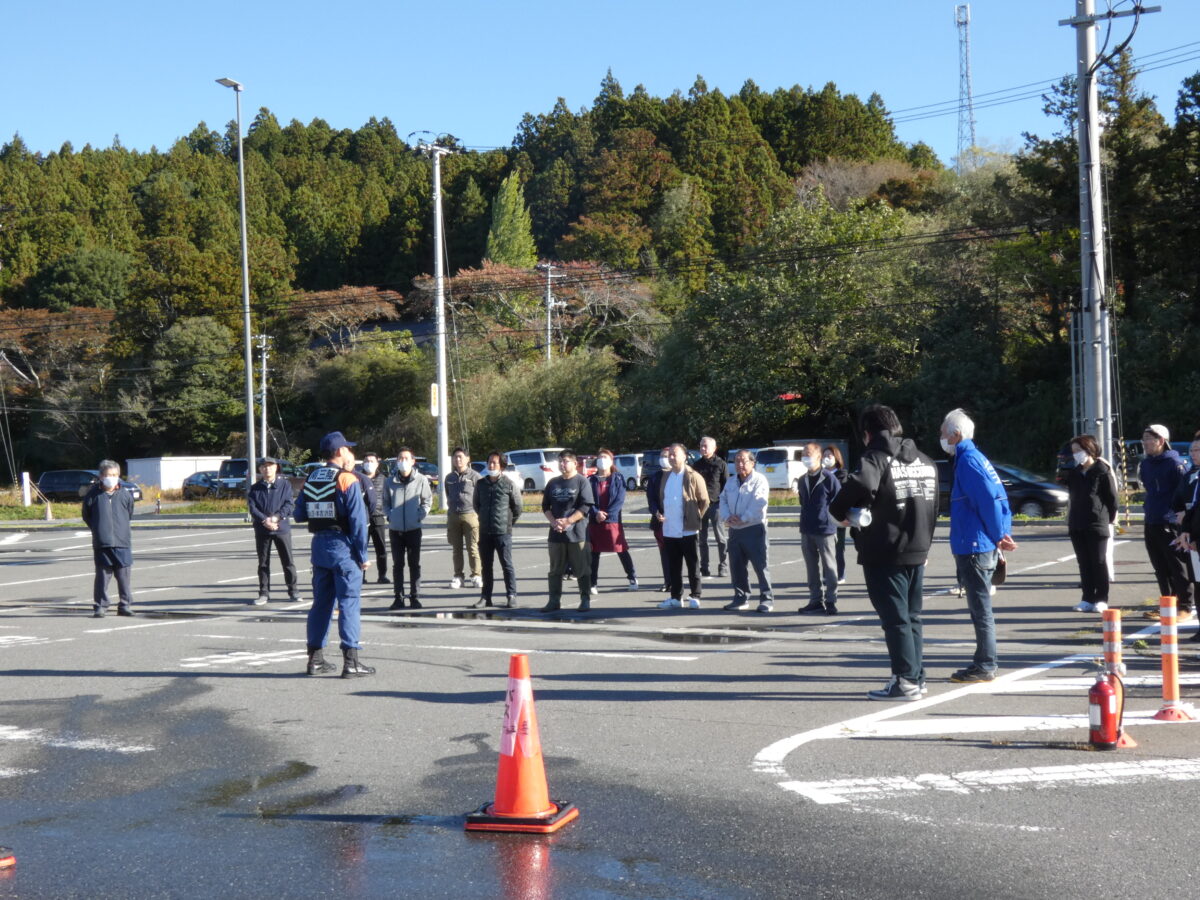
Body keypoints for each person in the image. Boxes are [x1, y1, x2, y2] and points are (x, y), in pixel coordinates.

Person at [829, 405, 938, 701]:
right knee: (912, 616)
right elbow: (934, 506)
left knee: (895, 618)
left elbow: (859, 486)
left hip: (885, 549)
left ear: (868, 434)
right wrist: (925, 542)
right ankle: (916, 676)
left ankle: (905, 681)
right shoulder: (925, 460)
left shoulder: (875, 458)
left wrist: (840, 511)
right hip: (917, 547)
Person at [940, 409, 1018, 683]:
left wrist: (999, 535)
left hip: (974, 544)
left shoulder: (968, 460)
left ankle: (985, 665)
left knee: (981, 611)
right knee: (980, 610)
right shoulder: (977, 458)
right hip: (979, 542)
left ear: (956, 434)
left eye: (943, 433)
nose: (941, 438)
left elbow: (988, 500)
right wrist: (1002, 532)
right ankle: (984, 662)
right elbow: (1000, 497)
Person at [293, 431, 374, 678]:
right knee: (349, 602)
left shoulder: (312, 477)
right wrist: (362, 555)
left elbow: (299, 514)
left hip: (319, 545)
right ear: (340, 451)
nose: (350, 452)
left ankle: (315, 659)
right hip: (342, 545)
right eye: (348, 448)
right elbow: (358, 522)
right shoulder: (347, 479)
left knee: (321, 603)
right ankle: (351, 661)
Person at [1139, 424, 1194, 620]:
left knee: (1177, 566)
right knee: (1160, 566)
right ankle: (1167, 603)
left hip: (1170, 522)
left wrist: (1181, 519)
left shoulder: (1175, 464)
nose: (1145, 443)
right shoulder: (1146, 464)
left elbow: (1185, 494)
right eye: (1144, 439)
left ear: (1161, 441)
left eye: (1149, 439)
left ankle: (1185, 606)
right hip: (1151, 519)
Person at [1066, 434, 1118, 614]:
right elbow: (1073, 498)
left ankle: (1102, 598)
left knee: (1099, 562)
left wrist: (1108, 519)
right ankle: (1087, 598)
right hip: (1077, 523)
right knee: (1084, 562)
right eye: (1074, 451)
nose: (1076, 454)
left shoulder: (1102, 471)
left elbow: (1112, 500)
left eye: (1079, 450)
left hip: (1097, 523)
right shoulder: (1074, 473)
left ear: (1090, 449)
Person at [656, 442, 710, 610]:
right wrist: (660, 514)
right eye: (670, 454)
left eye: (675, 454)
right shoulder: (666, 476)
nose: (671, 457)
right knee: (674, 565)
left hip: (688, 529)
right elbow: (663, 500)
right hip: (669, 528)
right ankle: (676, 597)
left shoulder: (693, 476)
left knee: (692, 564)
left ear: (685, 456)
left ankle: (695, 595)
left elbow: (704, 500)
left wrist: (695, 516)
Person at [720, 449, 774, 612]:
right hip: (734, 530)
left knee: (761, 566)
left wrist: (743, 518)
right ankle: (740, 598)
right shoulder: (731, 482)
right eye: (736, 461)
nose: (740, 464)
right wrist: (727, 517)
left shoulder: (759, 480)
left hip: (754, 529)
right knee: (737, 567)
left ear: (752, 463)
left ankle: (767, 599)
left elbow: (759, 503)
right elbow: (722, 500)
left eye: (743, 461)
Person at [81, 460, 135, 618]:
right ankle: (100, 606)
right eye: (108, 475)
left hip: (122, 542)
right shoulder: (92, 495)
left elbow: (129, 513)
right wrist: (98, 529)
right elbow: (87, 516)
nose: (111, 478)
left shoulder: (125, 494)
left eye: (114, 475)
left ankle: (124, 605)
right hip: (102, 543)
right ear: (101, 476)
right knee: (102, 577)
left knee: (124, 577)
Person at [542, 450, 594, 612]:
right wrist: (554, 522)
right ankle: (554, 601)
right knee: (555, 570)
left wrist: (568, 521)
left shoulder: (582, 481)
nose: (562, 464)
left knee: (582, 569)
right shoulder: (553, 483)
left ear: (575, 463)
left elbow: (585, 506)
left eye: (565, 461)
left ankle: (585, 599)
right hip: (556, 534)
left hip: (577, 535)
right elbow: (545, 506)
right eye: (560, 461)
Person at [246, 456, 300, 606]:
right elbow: (253, 508)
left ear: (276, 468)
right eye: (264, 466)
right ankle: (264, 593)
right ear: (260, 469)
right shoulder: (255, 488)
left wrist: (276, 518)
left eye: (270, 466)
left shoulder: (285, 485)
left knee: (288, 561)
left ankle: (293, 591)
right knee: (263, 563)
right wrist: (265, 520)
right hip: (262, 529)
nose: (267, 469)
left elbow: (289, 505)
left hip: (281, 528)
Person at [383, 447, 432, 610]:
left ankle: (414, 597)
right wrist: (390, 516)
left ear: (413, 461)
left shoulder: (421, 479)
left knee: (414, 564)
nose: (402, 461)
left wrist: (419, 515)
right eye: (400, 458)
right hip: (395, 530)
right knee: (398, 565)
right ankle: (398, 598)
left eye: (406, 458)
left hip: (413, 529)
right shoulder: (389, 481)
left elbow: (427, 501)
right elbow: (385, 503)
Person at [473, 451, 522, 608]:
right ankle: (485, 597)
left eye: (495, 462)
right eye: (489, 462)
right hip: (485, 531)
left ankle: (511, 595)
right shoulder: (481, 484)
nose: (491, 465)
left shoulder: (509, 484)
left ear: (502, 465)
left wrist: (508, 522)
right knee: (486, 566)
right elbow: (476, 505)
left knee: (507, 565)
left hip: (503, 532)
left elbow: (518, 507)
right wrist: (484, 518)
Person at [798, 441, 842, 615]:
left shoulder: (829, 478)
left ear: (818, 456)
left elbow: (839, 500)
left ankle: (831, 601)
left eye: (808, 454)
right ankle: (815, 600)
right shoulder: (802, 479)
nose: (805, 457)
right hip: (806, 529)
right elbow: (802, 502)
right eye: (803, 454)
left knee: (829, 567)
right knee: (811, 568)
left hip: (825, 529)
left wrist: (833, 519)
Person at [587, 448, 638, 596]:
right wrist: (596, 513)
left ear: (611, 461)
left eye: (605, 457)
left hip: (612, 521)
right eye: (600, 458)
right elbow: (587, 500)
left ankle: (632, 578)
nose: (602, 460)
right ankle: (592, 583)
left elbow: (619, 500)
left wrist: (607, 514)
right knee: (594, 552)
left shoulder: (618, 478)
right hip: (595, 521)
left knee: (620, 549)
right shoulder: (590, 480)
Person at [444, 448, 482, 590]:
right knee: (456, 549)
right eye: (455, 457)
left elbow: (481, 496)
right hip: (453, 515)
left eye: (460, 457)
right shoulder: (449, 478)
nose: (457, 459)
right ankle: (458, 576)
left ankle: (476, 575)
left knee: (472, 548)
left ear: (467, 458)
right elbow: (448, 494)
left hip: (470, 515)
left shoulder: (475, 476)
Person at [693, 436, 728, 580]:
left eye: (705, 446)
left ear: (714, 448)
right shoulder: (696, 465)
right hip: (700, 506)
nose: (702, 448)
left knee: (720, 538)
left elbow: (725, 485)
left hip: (716, 505)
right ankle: (704, 567)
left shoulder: (721, 464)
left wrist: (725, 505)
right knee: (702, 539)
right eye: (701, 446)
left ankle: (723, 565)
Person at [644, 448, 673, 592]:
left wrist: (671, 514)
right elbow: (651, 499)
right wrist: (656, 513)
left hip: (676, 521)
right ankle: (668, 582)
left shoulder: (679, 476)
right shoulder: (655, 477)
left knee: (677, 553)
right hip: (660, 521)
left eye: (666, 456)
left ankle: (678, 581)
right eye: (662, 456)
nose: (664, 459)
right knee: (664, 553)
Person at [359, 452, 390, 584]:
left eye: (372, 461)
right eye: (367, 461)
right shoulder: (357, 478)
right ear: (362, 463)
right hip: (361, 518)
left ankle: (382, 575)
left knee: (381, 548)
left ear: (377, 463)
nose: (369, 463)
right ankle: (360, 576)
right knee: (361, 548)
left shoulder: (384, 479)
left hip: (378, 516)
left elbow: (388, 497)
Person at [822, 445, 849, 584]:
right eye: (824, 455)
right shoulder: (819, 474)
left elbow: (841, 493)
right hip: (822, 516)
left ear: (836, 458)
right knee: (824, 547)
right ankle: (826, 574)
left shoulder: (842, 474)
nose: (826, 458)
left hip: (837, 515)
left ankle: (839, 574)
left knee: (838, 547)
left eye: (829, 455)